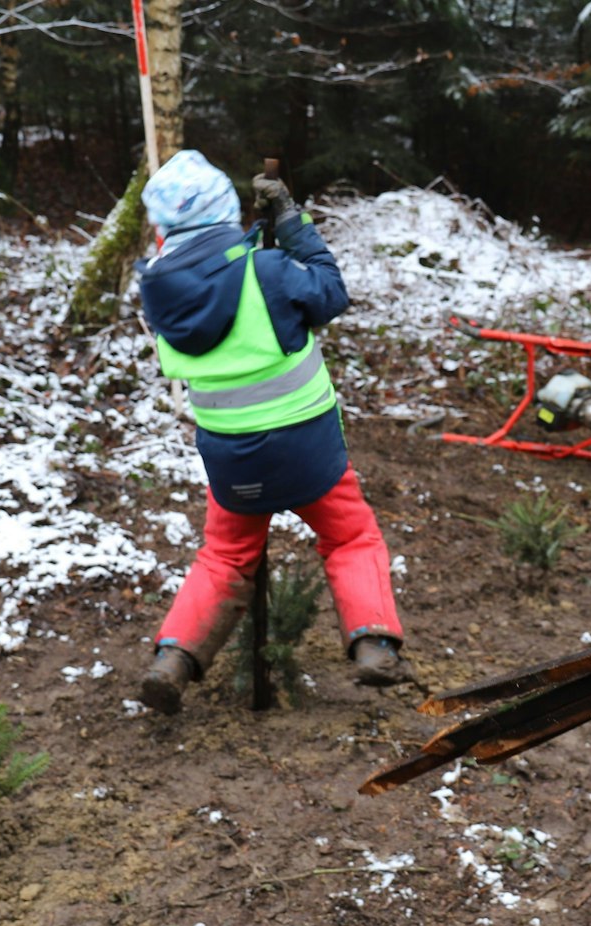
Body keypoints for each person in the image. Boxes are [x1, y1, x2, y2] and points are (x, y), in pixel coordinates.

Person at [133, 150, 411, 714]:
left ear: (163, 229)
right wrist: (290, 223)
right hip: (308, 452)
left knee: (225, 556)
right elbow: (330, 292)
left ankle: (174, 659)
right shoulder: (269, 270)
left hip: (230, 456)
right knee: (350, 537)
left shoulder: (159, 293)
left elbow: (212, 281)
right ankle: (373, 643)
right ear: (225, 213)